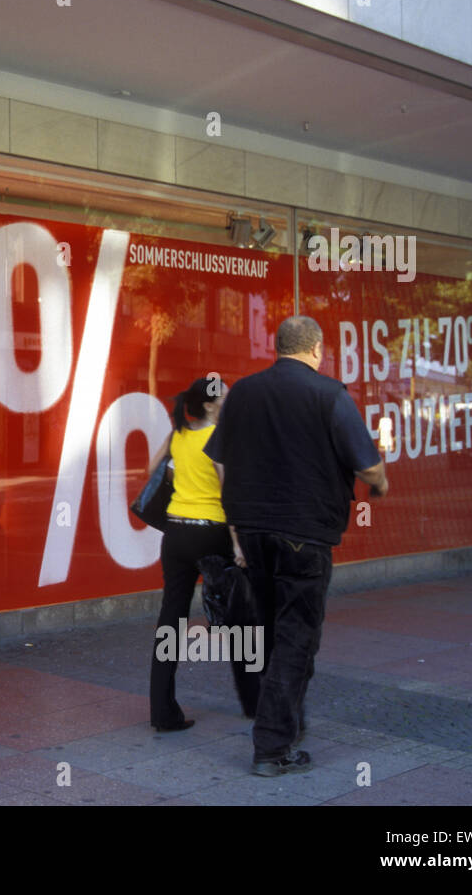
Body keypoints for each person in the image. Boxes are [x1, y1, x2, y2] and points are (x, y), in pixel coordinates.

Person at [204, 316, 387, 777]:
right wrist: (380, 483)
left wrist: (234, 531)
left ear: (278, 347)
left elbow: (218, 458)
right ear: (318, 349)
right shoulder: (330, 395)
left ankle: (287, 718)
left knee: (270, 630)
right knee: (296, 636)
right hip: (305, 533)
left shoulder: (242, 393)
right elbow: (367, 466)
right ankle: (272, 747)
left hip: (254, 532)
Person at [147, 377, 260, 732]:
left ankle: (162, 712)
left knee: (172, 619)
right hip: (213, 534)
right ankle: (254, 703)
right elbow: (228, 495)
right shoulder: (218, 438)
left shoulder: (179, 435)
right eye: (223, 398)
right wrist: (239, 544)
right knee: (241, 618)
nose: (228, 402)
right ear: (210, 405)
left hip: (176, 533)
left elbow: (152, 469)